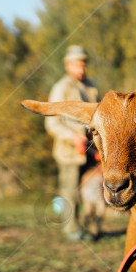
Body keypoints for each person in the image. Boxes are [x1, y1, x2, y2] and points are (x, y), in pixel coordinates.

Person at [45, 45, 100, 241]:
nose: (80, 69)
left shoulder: (91, 86)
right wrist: (73, 138)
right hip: (70, 152)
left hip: (90, 150)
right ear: (68, 66)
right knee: (70, 190)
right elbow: (52, 122)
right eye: (76, 65)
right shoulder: (62, 88)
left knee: (91, 188)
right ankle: (71, 229)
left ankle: (89, 225)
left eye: (83, 65)